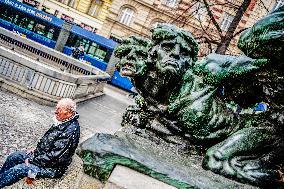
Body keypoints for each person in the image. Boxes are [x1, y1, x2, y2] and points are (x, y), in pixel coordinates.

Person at [0, 98, 80, 188]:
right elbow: (49, 140)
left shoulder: (70, 131)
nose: (55, 112)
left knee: (19, 169)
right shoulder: (64, 121)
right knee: (14, 157)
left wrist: (31, 160)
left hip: (53, 168)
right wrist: (37, 149)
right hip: (42, 158)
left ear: (68, 112)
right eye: (56, 108)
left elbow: (55, 157)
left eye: (59, 110)